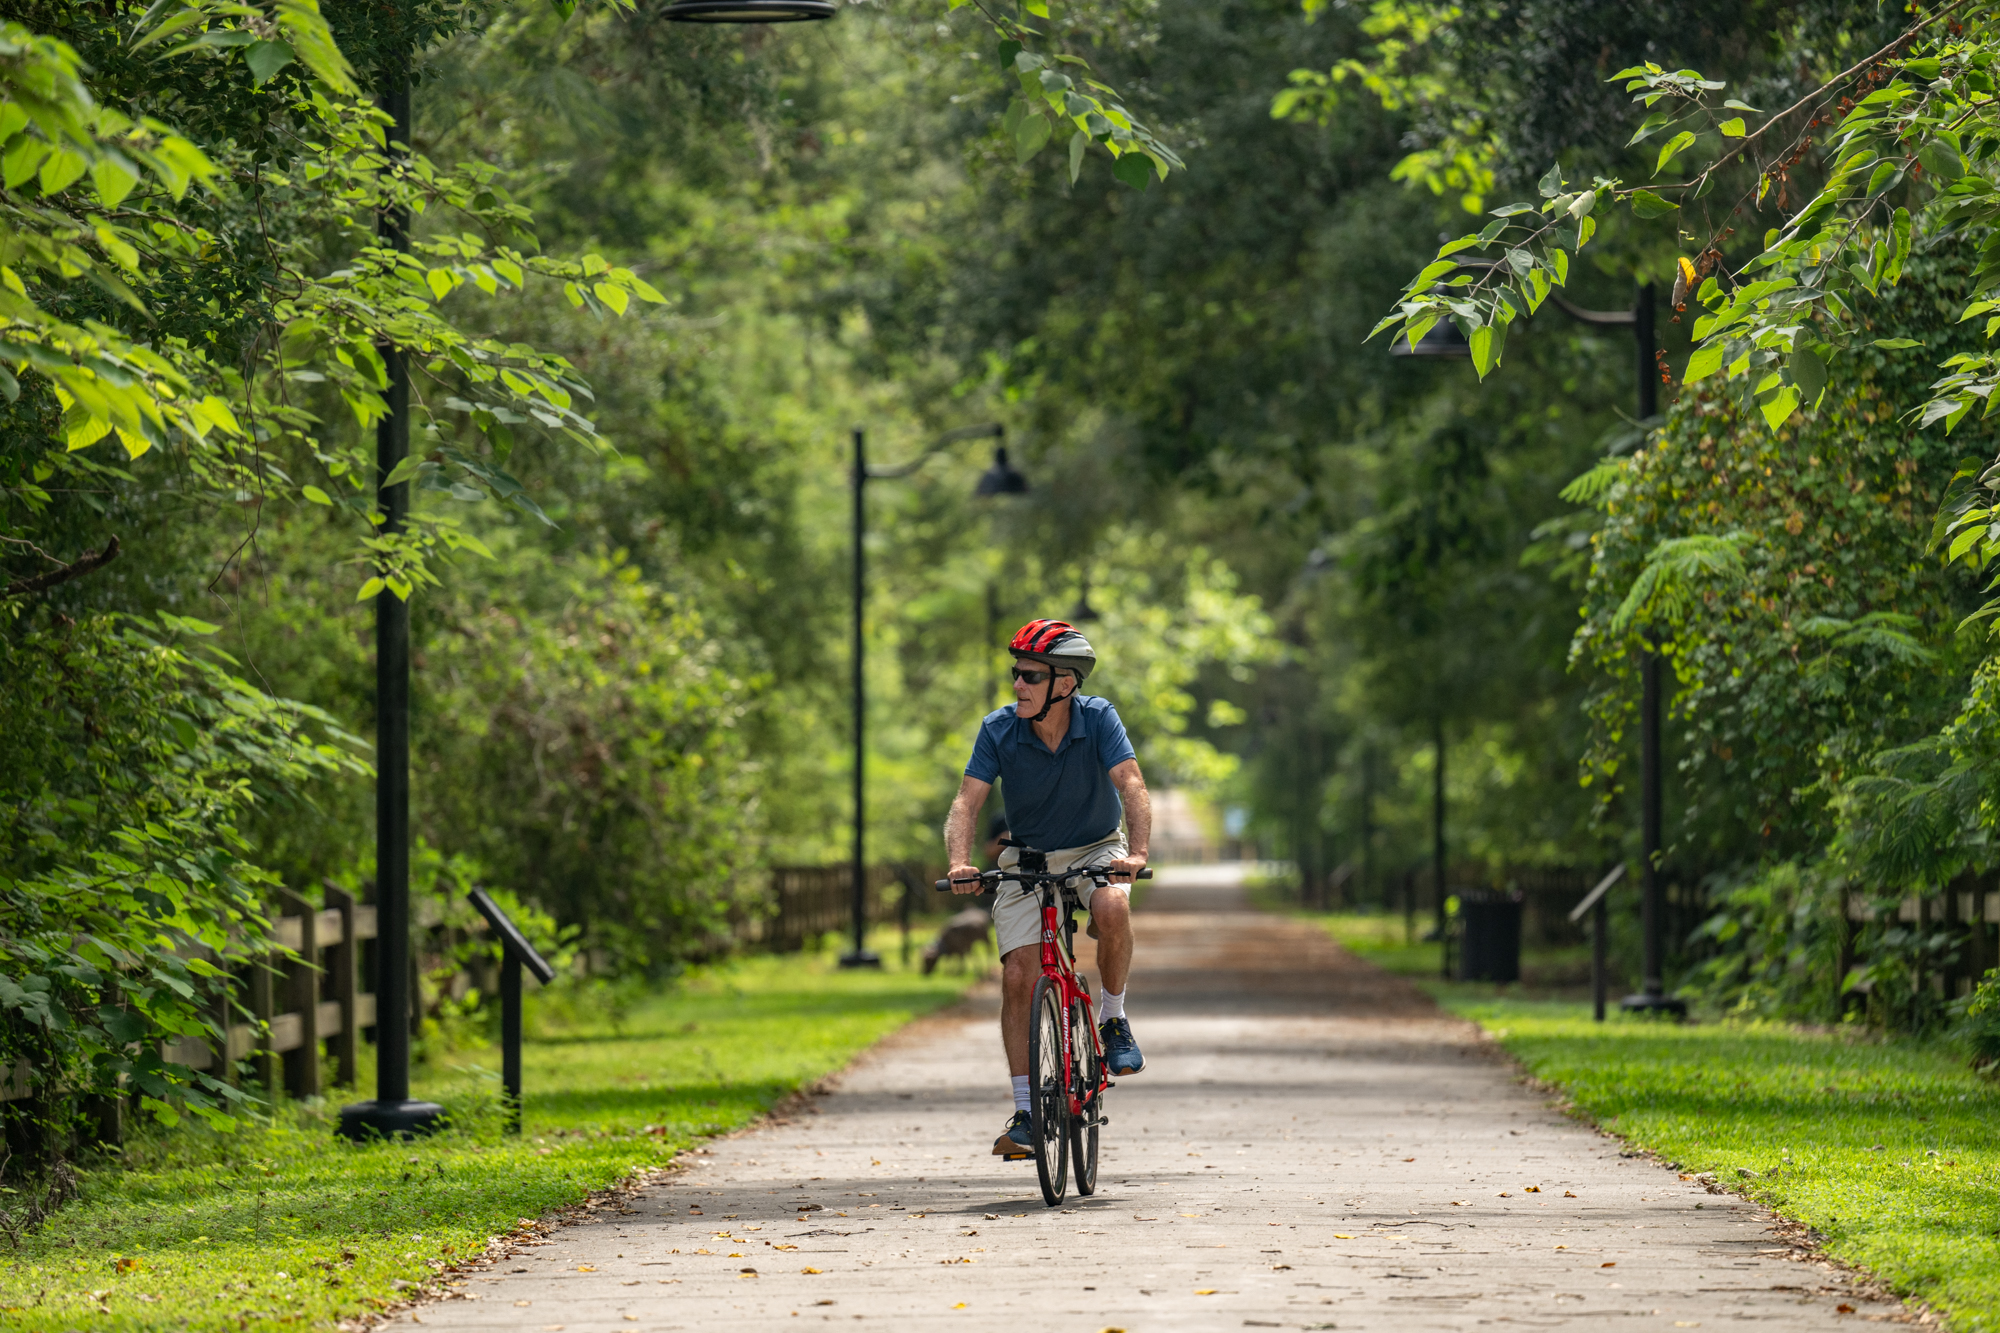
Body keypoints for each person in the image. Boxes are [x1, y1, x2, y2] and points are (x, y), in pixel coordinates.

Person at [942, 619, 1151, 1159]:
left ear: (1065, 682)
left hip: (1096, 848)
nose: (1018, 685)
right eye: (1016, 673)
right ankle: (1028, 1111)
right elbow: (968, 802)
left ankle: (1114, 1019)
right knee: (1018, 975)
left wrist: (1137, 855)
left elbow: (1130, 783)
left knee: (1109, 905)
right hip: (1027, 857)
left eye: (1031, 675)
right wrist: (960, 862)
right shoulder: (998, 729)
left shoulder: (1098, 718)